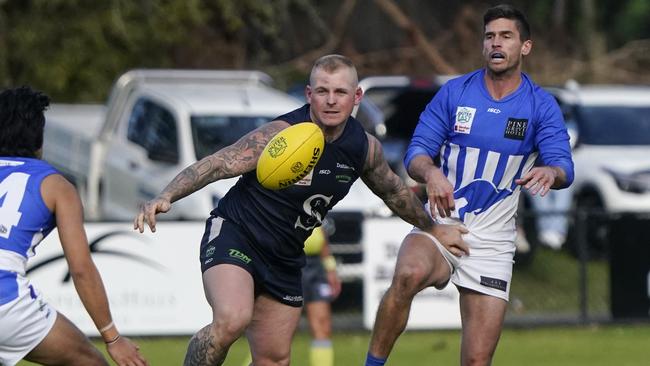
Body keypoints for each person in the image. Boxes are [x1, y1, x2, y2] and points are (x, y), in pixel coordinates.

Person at [133, 54, 468, 366]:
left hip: (285, 256)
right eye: (322, 91)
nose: (331, 100)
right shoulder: (283, 134)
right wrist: (167, 195)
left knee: (275, 358)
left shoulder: (363, 149)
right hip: (238, 234)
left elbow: (394, 192)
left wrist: (433, 228)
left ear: (357, 96)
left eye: (340, 91)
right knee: (231, 320)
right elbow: (222, 162)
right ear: (309, 94)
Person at [364, 5, 574, 366]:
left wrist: (549, 174)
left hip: (493, 243)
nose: (496, 43)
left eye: (506, 36)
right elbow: (417, 153)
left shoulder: (541, 105)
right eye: (490, 36)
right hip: (442, 225)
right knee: (407, 274)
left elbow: (563, 166)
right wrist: (431, 174)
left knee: (477, 361)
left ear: (525, 46)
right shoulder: (454, 93)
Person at [0, 86, 147, 366]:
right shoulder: (56, 186)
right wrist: (113, 339)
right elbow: (80, 269)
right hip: (5, 303)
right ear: (39, 138)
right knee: (90, 362)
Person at [301, 225, 341, 366]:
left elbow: (321, 233)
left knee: (322, 326)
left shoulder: (315, 204)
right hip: (287, 263)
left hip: (315, 266)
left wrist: (330, 269)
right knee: (274, 331)